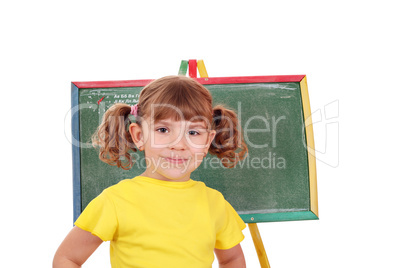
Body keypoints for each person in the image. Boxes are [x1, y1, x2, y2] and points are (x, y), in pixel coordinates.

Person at [53, 75, 248, 268]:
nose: (178, 144)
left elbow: (232, 259)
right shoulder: (116, 201)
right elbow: (67, 259)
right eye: (163, 130)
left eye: (193, 132)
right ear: (139, 135)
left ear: (207, 141)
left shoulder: (215, 204)